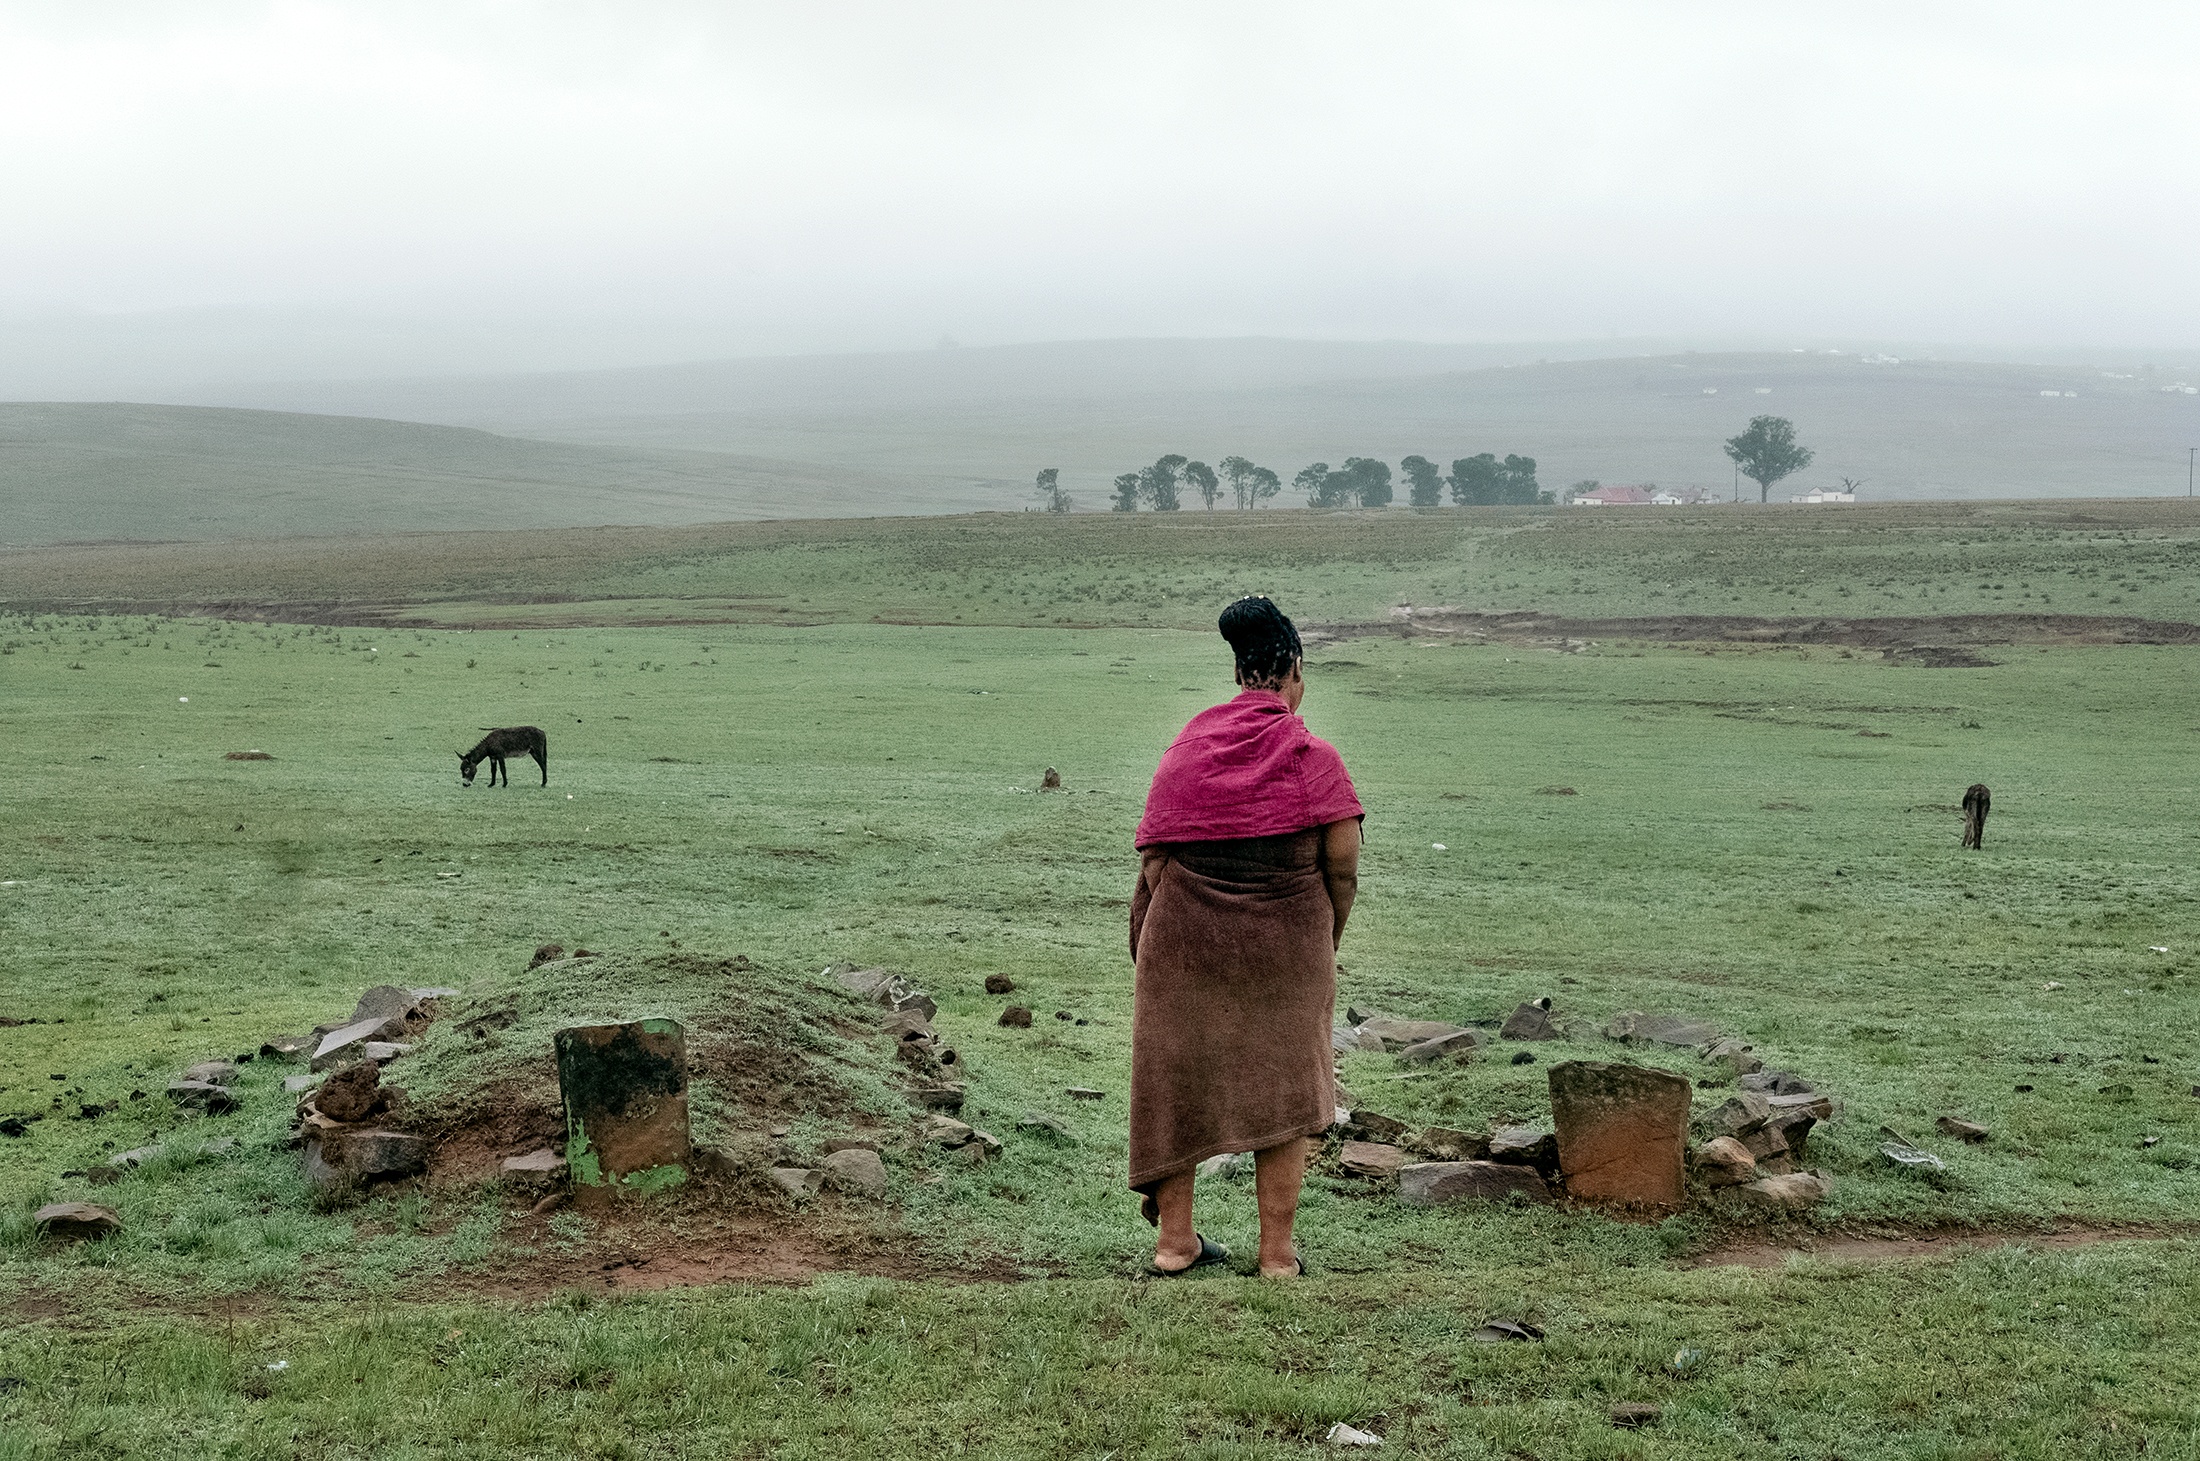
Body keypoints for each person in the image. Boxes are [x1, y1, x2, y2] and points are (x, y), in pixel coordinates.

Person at [1128, 596, 1364, 1278]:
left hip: (1184, 946)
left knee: (1176, 1081)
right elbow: (1342, 864)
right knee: (1287, 1091)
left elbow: (1152, 859)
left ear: (1239, 674)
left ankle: (1174, 1244)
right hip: (1285, 946)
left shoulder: (1188, 747)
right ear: (1292, 669)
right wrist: (1324, 936)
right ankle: (1277, 1256)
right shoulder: (1315, 756)